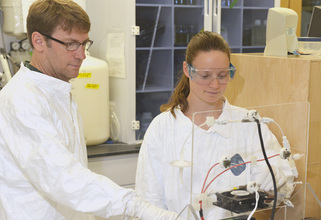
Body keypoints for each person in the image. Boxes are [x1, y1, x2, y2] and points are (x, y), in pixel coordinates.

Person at [0, 0, 185, 219]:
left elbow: (76, 177)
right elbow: (65, 179)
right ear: (39, 41)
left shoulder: (59, 89)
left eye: (84, 44)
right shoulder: (22, 99)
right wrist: (136, 206)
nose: (82, 55)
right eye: (70, 44)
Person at [135, 31, 296, 219]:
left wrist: (277, 178)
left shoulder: (248, 123)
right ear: (187, 70)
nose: (215, 85)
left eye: (222, 75)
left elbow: (285, 180)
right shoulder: (163, 128)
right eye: (205, 76)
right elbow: (148, 201)